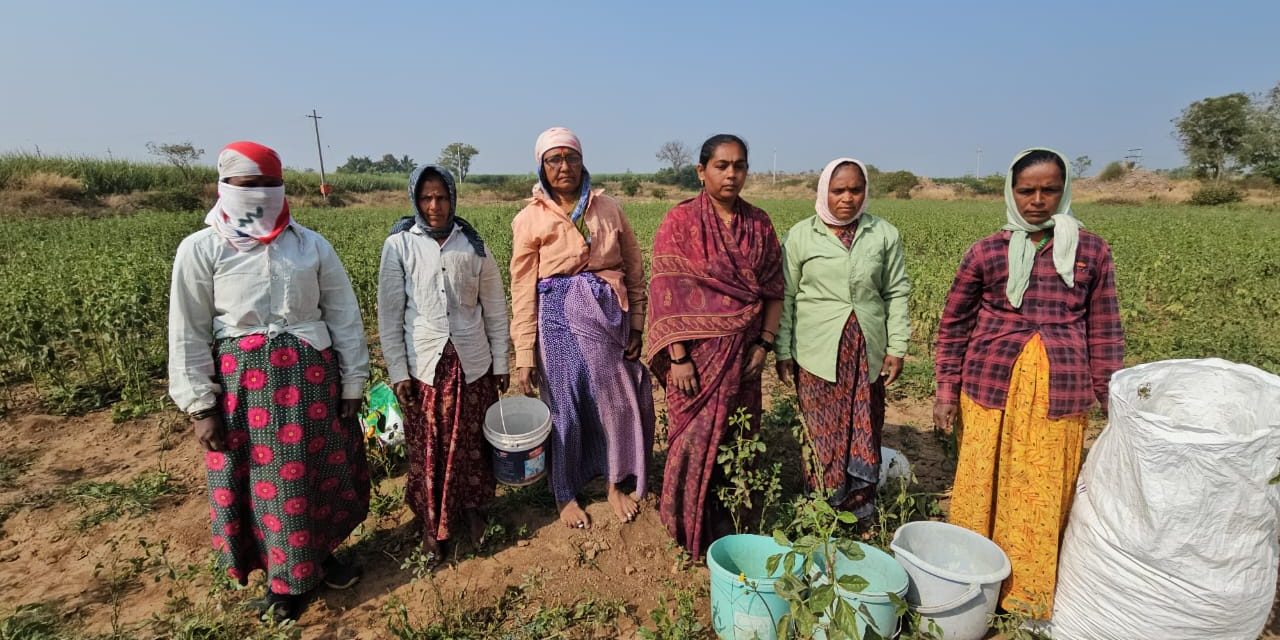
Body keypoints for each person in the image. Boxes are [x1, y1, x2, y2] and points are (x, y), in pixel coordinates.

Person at [168, 141, 371, 621]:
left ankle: (319, 557)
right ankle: (286, 582)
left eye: (268, 185)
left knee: (315, 476)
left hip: (313, 384)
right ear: (225, 188)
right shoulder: (202, 249)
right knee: (268, 485)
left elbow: (343, 316)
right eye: (248, 185)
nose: (259, 195)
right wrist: (201, 406)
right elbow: (188, 331)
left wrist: (353, 382)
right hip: (246, 394)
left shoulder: (310, 245)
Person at [933, 148, 1125, 616]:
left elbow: (1104, 327)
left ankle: (1027, 597)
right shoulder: (986, 251)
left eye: (1049, 190)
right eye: (1027, 190)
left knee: (1040, 491)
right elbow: (954, 324)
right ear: (1011, 192)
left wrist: (1111, 397)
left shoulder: (1091, 250)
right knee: (982, 482)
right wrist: (944, 389)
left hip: (1061, 388)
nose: (1037, 200)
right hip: (989, 384)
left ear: (1064, 191)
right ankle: (971, 587)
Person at [509, 127, 655, 529]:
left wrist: (638, 324)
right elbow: (522, 289)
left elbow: (634, 268)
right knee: (566, 407)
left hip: (609, 314)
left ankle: (614, 482)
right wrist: (524, 353)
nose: (564, 167)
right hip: (556, 319)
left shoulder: (608, 207)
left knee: (616, 400)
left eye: (570, 158)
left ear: (582, 160)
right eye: (554, 160)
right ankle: (565, 492)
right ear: (541, 166)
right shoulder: (529, 218)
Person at [646, 134, 784, 559]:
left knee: (738, 438)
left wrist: (763, 345)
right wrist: (680, 357)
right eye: (722, 166)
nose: (731, 174)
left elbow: (774, 290)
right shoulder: (680, 222)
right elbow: (667, 292)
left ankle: (730, 527)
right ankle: (684, 526)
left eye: (739, 166)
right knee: (690, 443)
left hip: (743, 356)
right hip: (696, 362)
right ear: (701, 171)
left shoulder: (759, 224)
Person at [379, 165, 508, 564]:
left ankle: (472, 510)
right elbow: (389, 314)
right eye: (426, 198)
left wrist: (501, 361)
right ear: (415, 200)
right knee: (430, 450)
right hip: (425, 366)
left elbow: (495, 309)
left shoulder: (473, 246)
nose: (434, 206)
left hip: (472, 362)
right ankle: (433, 525)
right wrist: (398, 371)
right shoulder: (399, 245)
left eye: (442, 197)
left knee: (471, 447)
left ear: (453, 198)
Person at [775, 157, 911, 523]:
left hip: (867, 348)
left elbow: (896, 292)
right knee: (821, 430)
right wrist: (783, 349)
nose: (847, 198)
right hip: (817, 350)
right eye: (839, 190)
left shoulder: (884, 234)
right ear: (824, 192)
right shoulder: (802, 236)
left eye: (855, 190)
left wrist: (897, 346)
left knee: (865, 423)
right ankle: (820, 506)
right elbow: (785, 296)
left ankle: (859, 505)